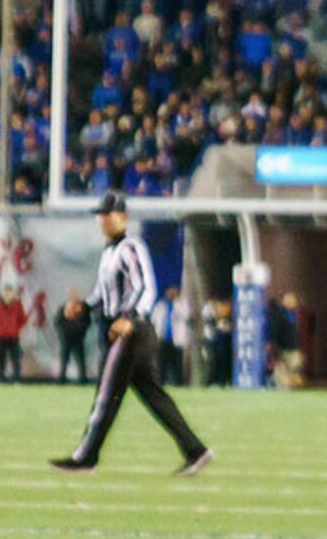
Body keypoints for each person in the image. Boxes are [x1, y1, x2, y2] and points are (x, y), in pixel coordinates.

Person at [49, 191, 210, 474]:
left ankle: (86, 457)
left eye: (107, 214)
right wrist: (84, 306)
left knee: (106, 393)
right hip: (120, 329)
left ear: (121, 216)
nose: (102, 220)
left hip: (130, 333)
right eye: (100, 215)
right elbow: (103, 293)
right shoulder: (110, 251)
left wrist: (131, 319)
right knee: (153, 395)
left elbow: (146, 287)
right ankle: (195, 450)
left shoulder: (131, 247)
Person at [0, 286, 28, 381]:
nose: (8, 295)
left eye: (10, 293)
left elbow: (22, 319)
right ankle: (0, 378)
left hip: (13, 336)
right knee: (0, 359)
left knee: (15, 358)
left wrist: (16, 329)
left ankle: (16, 378)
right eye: (6, 293)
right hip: (1, 336)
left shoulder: (17, 305)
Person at [55, 297, 91, 383]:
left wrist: (81, 332)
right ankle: (62, 377)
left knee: (80, 360)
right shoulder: (62, 311)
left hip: (78, 339)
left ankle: (82, 378)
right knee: (64, 359)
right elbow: (58, 323)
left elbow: (87, 323)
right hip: (66, 339)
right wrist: (63, 335)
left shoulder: (83, 311)